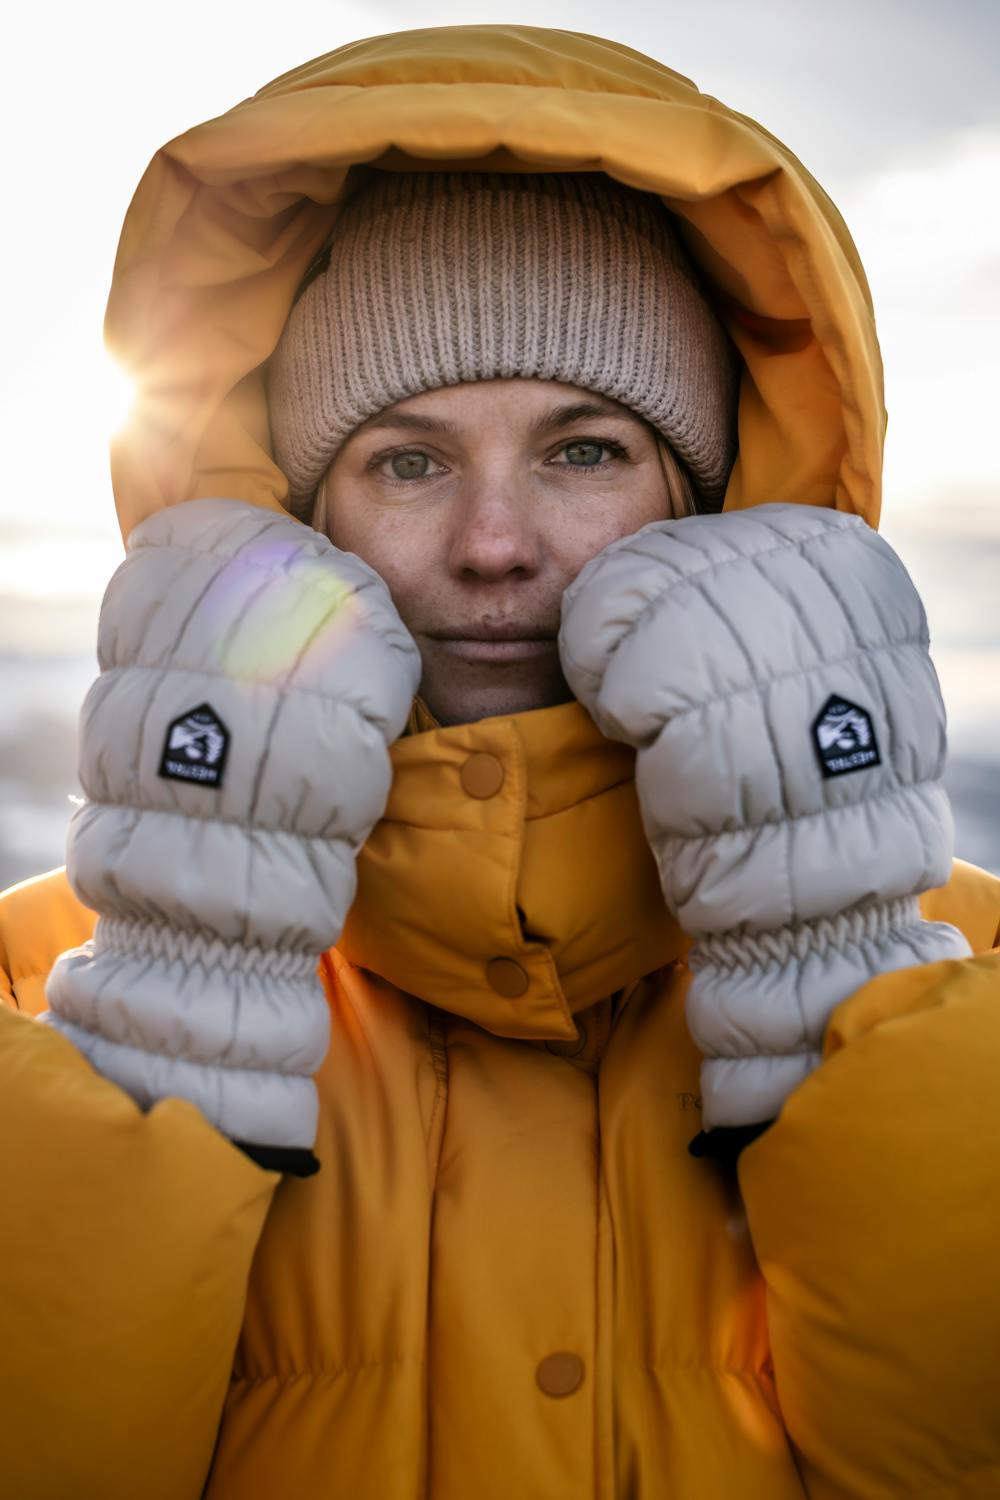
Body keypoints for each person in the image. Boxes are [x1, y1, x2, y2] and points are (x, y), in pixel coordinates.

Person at [1, 23, 998, 1500]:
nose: (492, 545)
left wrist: (838, 968)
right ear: (295, 518)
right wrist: (177, 1018)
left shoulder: (960, 969)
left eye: (585, 449)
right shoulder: (42, 987)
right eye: (406, 460)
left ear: (712, 496)